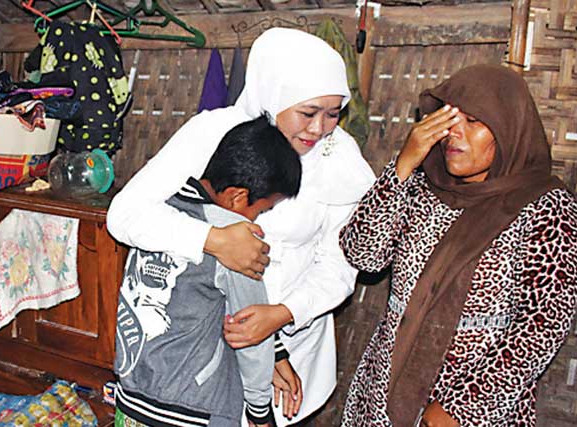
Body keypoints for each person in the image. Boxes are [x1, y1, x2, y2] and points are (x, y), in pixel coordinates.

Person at [107, 27, 376, 426]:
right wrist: (211, 239)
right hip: (200, 354)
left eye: (333, 113)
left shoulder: (340, 161)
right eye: (308, 113)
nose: (319, 129)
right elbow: (126, 215)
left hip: (292, 343)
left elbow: (340, 265)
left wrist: (281, 317)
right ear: (275, 94)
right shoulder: (213, 135)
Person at [339, 64, 577, 427]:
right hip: (385, 386)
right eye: (448, 119)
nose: (453, 132)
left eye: (473, 121)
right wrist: (403, 166)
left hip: (471, 399)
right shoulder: (423, 187)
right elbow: (364, 254)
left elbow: (543, 321)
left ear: (507, 129)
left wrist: (462, 407)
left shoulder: (545, 206)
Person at [114, 116, 302, 427]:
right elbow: (250, 332)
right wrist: (260, 411)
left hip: (131, 396)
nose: (259, 219)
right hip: (195, 410)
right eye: (263, 209)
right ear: (238, 197)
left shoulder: (156, 213)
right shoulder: (237, 238)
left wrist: (277, 351)